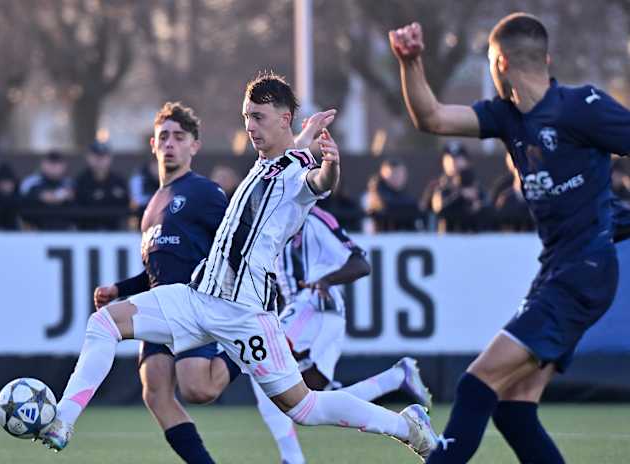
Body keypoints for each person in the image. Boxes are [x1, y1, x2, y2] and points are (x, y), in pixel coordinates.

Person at [36, 72, 437, 460]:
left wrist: (329, 165)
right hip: (197, 299)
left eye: (258, 117)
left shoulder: (298, 173)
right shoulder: (266, 164)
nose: (249, 126)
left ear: (283, 119)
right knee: (104, 323)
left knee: (304, 409)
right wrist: (302, 135)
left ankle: (406, 426)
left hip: (246, 315)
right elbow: (285, 156)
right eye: (246, 117)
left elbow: (318, 184)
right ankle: (63, 421)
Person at [390, 13, 630, 463]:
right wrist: (411, 63)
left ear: (499, 63)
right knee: (513, 408)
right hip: (559, 273)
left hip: (584, 273)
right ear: (546, 58)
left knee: (474, 384)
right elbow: (433, 117)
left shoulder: (583, 106)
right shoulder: (505, 115)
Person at [93, 102, 231, 464]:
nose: (170, 143)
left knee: (197, 389)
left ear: (194, 146)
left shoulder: (204, 192)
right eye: (164, 137)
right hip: (160, 308)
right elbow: (157, 270)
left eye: (179, 137)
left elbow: (236, 244)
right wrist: (120, 290)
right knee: (155, 393)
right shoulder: (153, 204)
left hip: (190, 306)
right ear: (153, 145)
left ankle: (241, 356)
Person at [253, 205, 433, 464]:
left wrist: (326, 281)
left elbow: (361, 263)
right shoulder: (273, 212)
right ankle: (395, 379)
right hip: (309, 309)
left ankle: (292, 459)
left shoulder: (314, 217)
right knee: (309, 399)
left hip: (314, 304)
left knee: (261, 362)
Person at [74, 141, 130, 230]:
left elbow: (126, 205)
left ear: (110, 158)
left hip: (115, 232)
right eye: (96, 156)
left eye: (103, 156)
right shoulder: (81, 181)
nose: (99, 160)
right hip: (86, 232)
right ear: (88, 157)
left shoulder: (118, 181)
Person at [19, 151, 75, 230]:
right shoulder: (31, 182)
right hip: (36, 231)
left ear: (64, 165)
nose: (54, 167)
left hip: (64, 232)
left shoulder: (70, 183)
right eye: (50, 163)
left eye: (57, 163)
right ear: (43, 164)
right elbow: (45, 197)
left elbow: (72, 196)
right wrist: (59, 196)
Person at [365, 158, 421, 232]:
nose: (397, 177)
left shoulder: (404, 194)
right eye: (393, 174)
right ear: (383, 174)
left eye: (400, 174)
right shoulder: (376, 191)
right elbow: (387, 206)